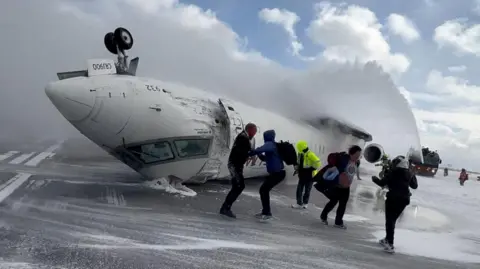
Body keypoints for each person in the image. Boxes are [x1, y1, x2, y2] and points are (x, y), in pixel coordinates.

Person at [372, 156, 418, 254]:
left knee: (390, 221)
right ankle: (387, 239)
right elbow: (415, 186)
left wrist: (374, 178)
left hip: (393, 198)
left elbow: (382, 183)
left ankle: (390, 243)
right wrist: (413, 174)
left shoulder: (393, 172)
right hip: (404, 200)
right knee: (392, 220)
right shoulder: (409, 173)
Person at [219, 123, 257, 218]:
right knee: (239, 186)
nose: (254, 133)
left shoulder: (244, 137)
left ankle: (226, 207)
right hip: (235, 165)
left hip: (236, 165)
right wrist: (249, 155)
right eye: (254, 131)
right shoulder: (243, 138)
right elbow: (241, 152)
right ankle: (225, 208)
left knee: (238, 186)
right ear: (249, 130)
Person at [320, 145, 362, 229]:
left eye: (359, 155)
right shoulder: (344, 160)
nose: (358, 156)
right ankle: (323, 216)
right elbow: (337, 170)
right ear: (351, 153)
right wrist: (341, 175)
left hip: (346, 188)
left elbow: (353, 172)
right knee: (333, 202)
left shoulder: (357, 162)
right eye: (357, 154)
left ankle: (338, 222)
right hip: (337, 186)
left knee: (342, 205)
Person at [249, 130, 286, 220]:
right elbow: (266, 158)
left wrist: (250, 152)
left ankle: (267, 213)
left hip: (278, 174)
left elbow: (260, 149)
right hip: (278, 173)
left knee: (263, 190)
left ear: (267, 136)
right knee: (264, 190)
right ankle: (266, 212)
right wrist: (259, 154)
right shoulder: (273, 145)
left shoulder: (270, 144)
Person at [292, 140, 321, 209]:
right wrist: (297, 169)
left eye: (299, 147)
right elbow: (299, 163)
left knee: (307, 190)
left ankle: (305, 203)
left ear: (301, 147)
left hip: (310, 176)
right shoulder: (300, 154)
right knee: (299, 190)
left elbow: (318, 162)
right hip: (302, 175)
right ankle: (299, 203)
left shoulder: (310, 154)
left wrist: (312, 168)